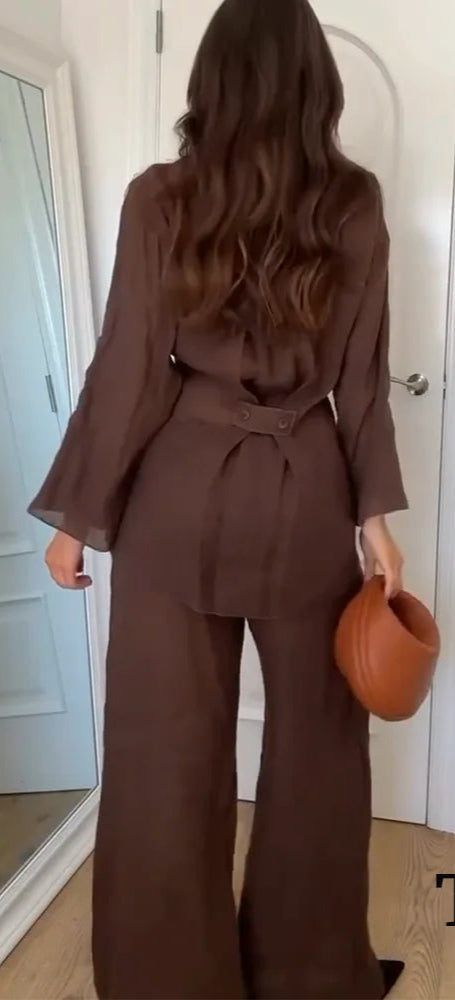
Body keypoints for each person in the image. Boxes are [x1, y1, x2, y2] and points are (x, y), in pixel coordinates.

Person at [28, 0, 408, 997]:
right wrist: (374, 525)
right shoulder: (355, 202)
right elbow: (361, 382)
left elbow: (130, 376)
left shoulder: (160, 197)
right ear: (312, 83)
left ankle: (169, 979)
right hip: (305, 503)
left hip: (175, 501)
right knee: (318, 755)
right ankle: (308, 972)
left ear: (212, 82)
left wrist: (78, 518)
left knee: (164, 756)